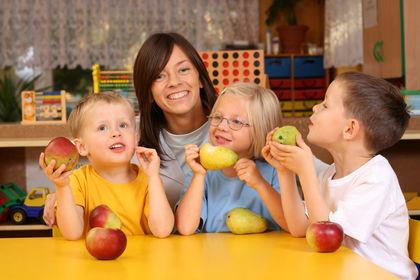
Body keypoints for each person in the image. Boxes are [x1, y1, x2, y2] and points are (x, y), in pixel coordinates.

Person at [42, 32, 217, 226]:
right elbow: (100, 165)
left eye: (183, 70)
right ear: (148, 92)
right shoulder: (129, 130)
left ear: (200, 78)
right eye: (159, 76)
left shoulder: (233, 127)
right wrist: (63, 192)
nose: (174, 82)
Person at [263, 72, 418, 279]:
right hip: (341, 272)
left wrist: (306, 171)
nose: (315, 107)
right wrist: (285, 172)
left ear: (349, 129)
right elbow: (300, 228)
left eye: (325, 105)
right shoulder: (330, 174)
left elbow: (328, 240)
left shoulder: (377, 177)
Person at [39, 93, 174, 240]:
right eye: (102, 128)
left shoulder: (149, 180)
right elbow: (72, 233)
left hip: (139, 261)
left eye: (123, 125)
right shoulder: (76, 181)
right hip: (92, 262)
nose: (116, 133)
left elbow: (162, 230)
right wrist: (62, 187)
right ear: (82, 147)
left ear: (136, 138)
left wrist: (154, 177)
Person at [176, 82, 288, 234]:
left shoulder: (277, 171)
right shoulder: (202, 172)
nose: (221, 126)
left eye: (236, 121)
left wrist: (260, 184)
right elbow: (185, 228)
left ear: (261, 130)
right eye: (217, 117)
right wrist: (198, 175)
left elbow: (290, 223)